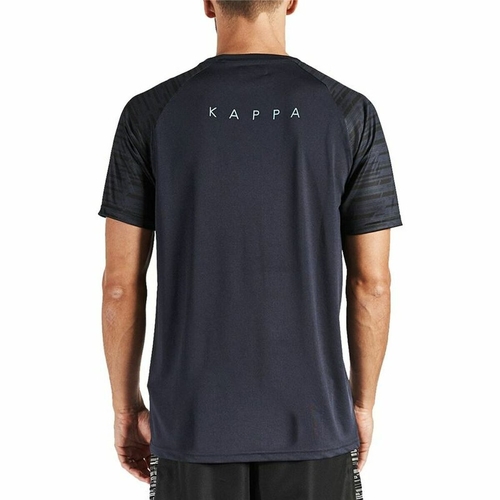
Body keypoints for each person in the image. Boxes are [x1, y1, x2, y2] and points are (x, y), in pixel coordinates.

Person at [98, 1, 402, 498]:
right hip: (315, 425)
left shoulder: (151, 113)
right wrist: (362, 405)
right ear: (292, 1)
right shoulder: (349, 112)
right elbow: (373, 284)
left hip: (190, 428)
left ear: (208, 4)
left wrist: (125, 408)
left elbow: (119, 286)